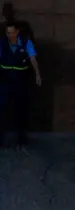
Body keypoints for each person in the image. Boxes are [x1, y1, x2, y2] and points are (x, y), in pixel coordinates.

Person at [0, 19, 41, 148]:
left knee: (21, 109)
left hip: (20, 80)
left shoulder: (25, 42)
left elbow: (32, 58)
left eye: (12, 32)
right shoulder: (2, 44)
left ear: (17, 32)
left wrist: (37, 74)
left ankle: (21, 138)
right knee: (2, 109)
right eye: (8, 33)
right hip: (5, 80)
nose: (10, 35)